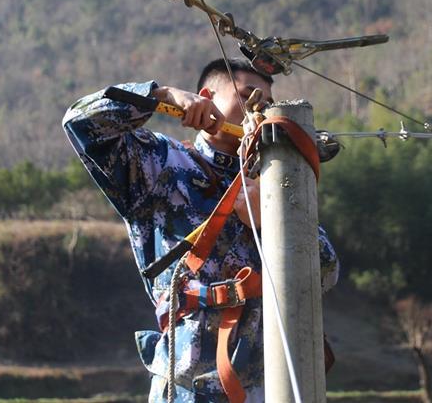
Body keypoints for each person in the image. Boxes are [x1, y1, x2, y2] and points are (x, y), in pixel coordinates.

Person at [62, 58, 339, 403]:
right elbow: (81, 122)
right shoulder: (163, 163)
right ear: (208, 95)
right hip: (188, 384)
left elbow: (326, 271)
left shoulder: (274, 185)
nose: (258, 110)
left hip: (265, 385)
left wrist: (269, 216)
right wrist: (164, 95)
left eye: (267, 105)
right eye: (247, 96)